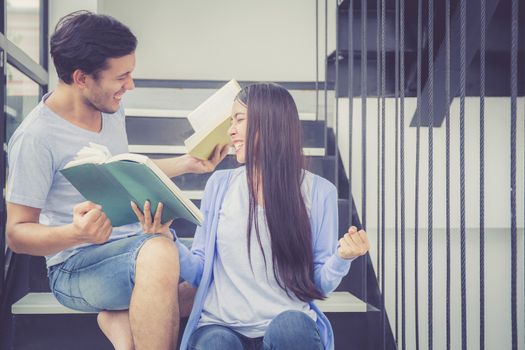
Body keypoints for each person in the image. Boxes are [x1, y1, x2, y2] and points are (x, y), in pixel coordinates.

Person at [5, 11, 227, 350]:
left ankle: (120, 323)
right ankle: (122, 320)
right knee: (161, 253)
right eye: (121, 77)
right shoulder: (35, 138)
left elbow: (123, 169)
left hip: (130, 248)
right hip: (74, 267)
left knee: (217, 278)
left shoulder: (109, 107)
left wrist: (187, 164)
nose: (131, 86)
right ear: (81, 78)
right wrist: (75, 233)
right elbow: (17, 234)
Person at [136, 83, 370, 350]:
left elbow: (318, 284)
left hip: (285, 325)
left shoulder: (319, 192)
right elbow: (200, 271)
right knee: (214, 342)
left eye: (239, 120)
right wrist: (167, 239)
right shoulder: (220, 184)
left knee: (291, 328)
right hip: (221, 325)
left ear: (269, 123)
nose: (230, 131)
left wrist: (342, 259)